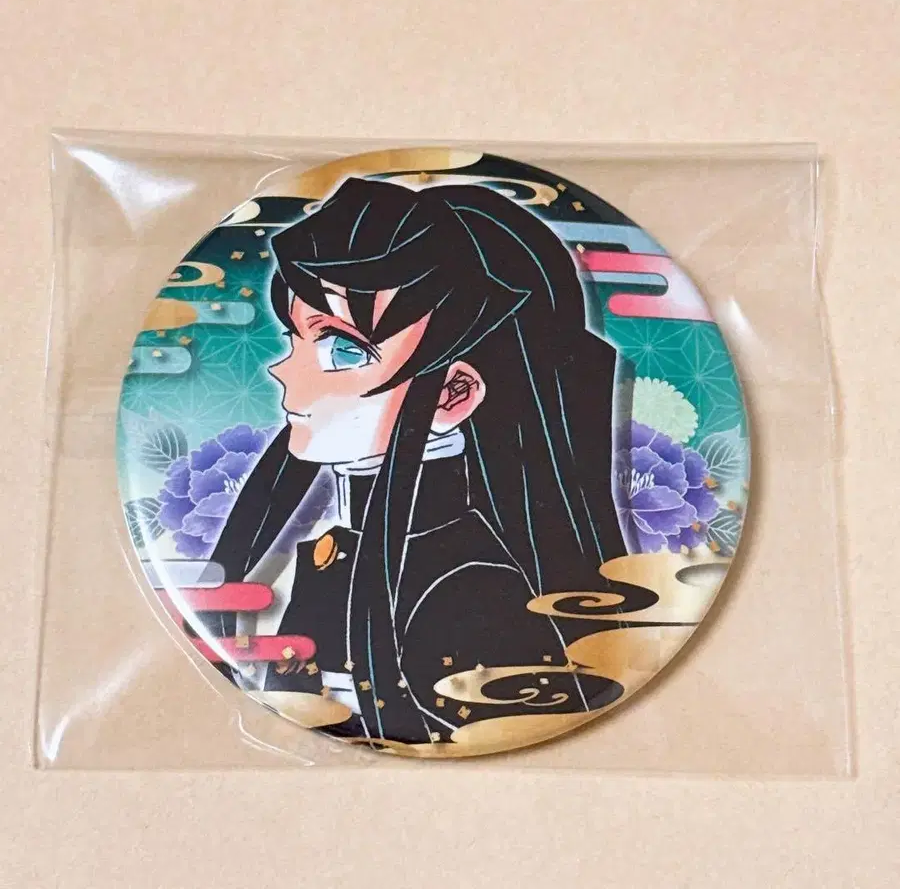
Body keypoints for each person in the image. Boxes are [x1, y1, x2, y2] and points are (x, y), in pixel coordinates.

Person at [211, 176, 628, 747]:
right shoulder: (343, 552)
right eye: (295, 337)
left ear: (454, 394)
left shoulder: (471, 587)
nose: (282, 371)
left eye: (343, 348)